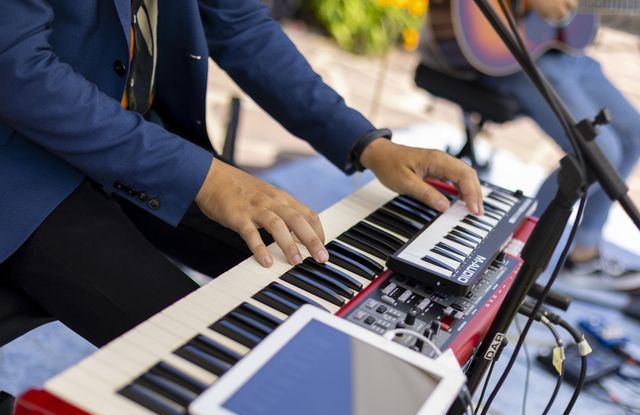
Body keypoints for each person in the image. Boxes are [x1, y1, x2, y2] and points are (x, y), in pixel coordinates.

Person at [0, 0, 483, 347]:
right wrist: (208, 178)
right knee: (208, 352)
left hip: (129, 140)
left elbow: (241, 25)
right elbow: (16, 70)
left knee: (329, 277)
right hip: (20, 167)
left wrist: (368, 145)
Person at [420, 0, 640, 292]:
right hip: (507, 50)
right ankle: (519, 256)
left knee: (633, 133)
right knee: (600, 152)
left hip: (563, 54)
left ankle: (584, 255)